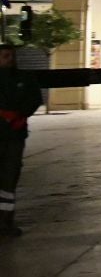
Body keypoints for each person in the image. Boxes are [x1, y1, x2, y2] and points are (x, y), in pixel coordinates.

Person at [0, 44, 43, 238]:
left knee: (10, 176)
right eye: (4, 56)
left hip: (15, 134)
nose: (8, 59)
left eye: (10, 56)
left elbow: (34, 99)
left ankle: (6, 220)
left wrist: (20, 115)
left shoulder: (24, 78)